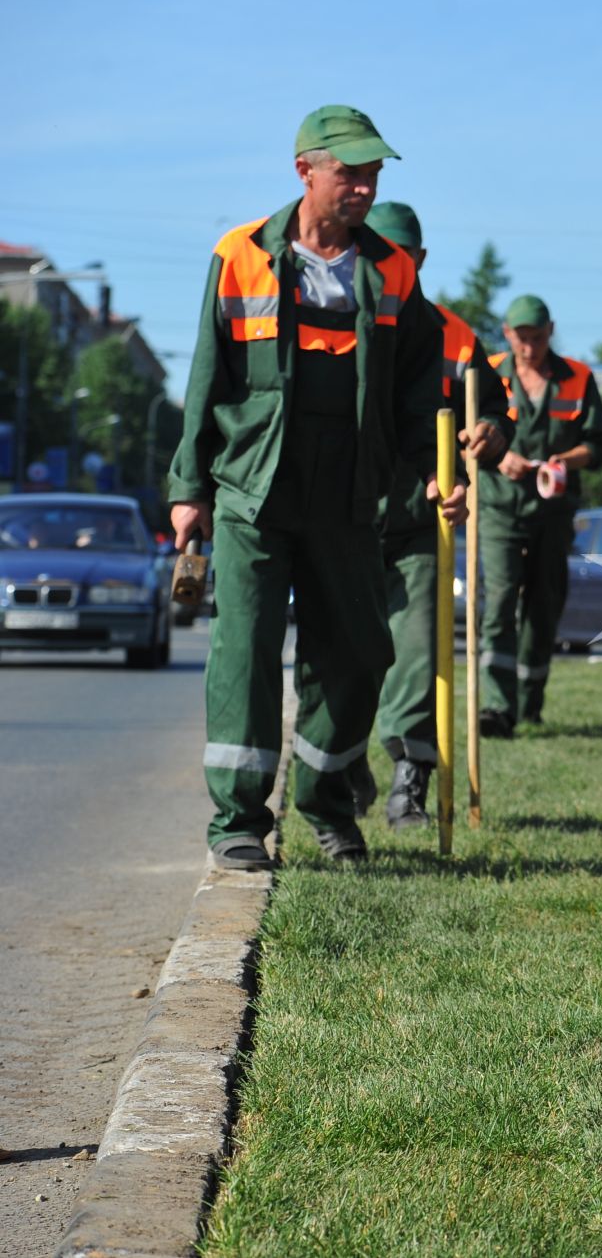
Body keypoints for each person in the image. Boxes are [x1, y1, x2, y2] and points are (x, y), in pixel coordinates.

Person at [169, 105, 491, 869]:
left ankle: (322, 795)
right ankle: (239, 823)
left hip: (351, 496)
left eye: (372, 172)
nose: (363, 185)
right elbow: (205, 377)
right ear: (305, 170)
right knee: (244, 654)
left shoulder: (392, 270)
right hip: (254, 490)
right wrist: (189, 486)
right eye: (349, 171)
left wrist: (439, 478)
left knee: (358, 653)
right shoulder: (241, 254)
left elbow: (420, 396)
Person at [343, 201, 511, 829]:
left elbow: (496, 414)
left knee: (416, 652)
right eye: (378, 256)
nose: (390, 269)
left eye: (402, 259)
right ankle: (346, 763)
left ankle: (410, 778)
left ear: (419, 261)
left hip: (423, 521)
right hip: (345, 519)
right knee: (351, 655)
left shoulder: (457, 338)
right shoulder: (335, 323)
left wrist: (487, 437)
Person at [476, 295, 602, 737]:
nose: (529, 348)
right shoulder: (487, 372)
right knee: (498, 601)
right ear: (507, 333)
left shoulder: (578, 378)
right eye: (521, 339)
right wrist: (500, 459)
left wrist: (566, 461)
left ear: (550, 331)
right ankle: (496, 707)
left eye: (536, 338)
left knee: (543, 605)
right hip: (499, 507)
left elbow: (599, 445)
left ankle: (530, 700)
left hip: (552, 512)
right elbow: (466, 435)